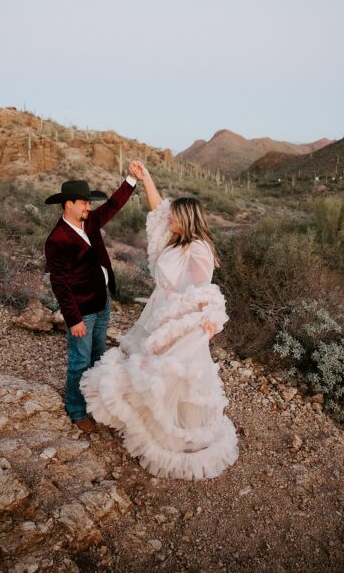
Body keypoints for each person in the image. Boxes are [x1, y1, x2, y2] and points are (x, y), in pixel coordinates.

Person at [80, 162, 239, 479]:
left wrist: (204, 322)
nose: (169, 219)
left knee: (173, 375)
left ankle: (176, 438)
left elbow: (203, 289)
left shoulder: (198, 248)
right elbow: (157, 210)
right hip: (157, 311)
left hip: (179, 320)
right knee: (150, 370)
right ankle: (147, 423)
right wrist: (146, 178)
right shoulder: (174, 240)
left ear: (187, 220)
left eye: (175, 217)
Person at [44, 171, 140, 433]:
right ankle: (76, 411)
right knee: (79, 362)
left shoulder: (90, 221)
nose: (89, 206)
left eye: (89, 202)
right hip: (82, 311)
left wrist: (131, 179)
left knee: (99, 357)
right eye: (84, 202)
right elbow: (60, 284)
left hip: (102, 302)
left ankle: (95, 404)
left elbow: (113, 205)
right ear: (68, 204)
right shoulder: (57, 240)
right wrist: (73, 319)